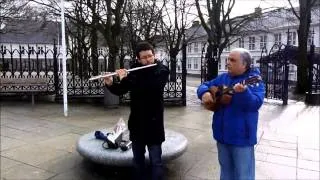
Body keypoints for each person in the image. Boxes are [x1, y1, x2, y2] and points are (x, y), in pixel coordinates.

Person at [104, 41, 169, 180]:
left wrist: (126, 78)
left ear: (154, 55)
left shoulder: (162, 70)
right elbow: (121, 90)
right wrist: (110, 83)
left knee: (156, 162)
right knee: (137, 161)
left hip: (154, 123)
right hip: (137, 123)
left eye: (150, 56)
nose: (148, 60)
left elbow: (150, 87)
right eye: (144, 58)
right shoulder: (134, 70)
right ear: (138, 59)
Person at [197, 48, 265, 180]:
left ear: (244, 64)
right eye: (228, 59)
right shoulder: (223, 77)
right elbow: (204, 85)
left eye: (232, 60)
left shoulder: (254, 80)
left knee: (243, 174)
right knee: (226, 172)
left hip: (242, 138)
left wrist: (244, 93)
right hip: (221, 135)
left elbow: (256, 103)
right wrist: (204, 93)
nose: (228, 62)